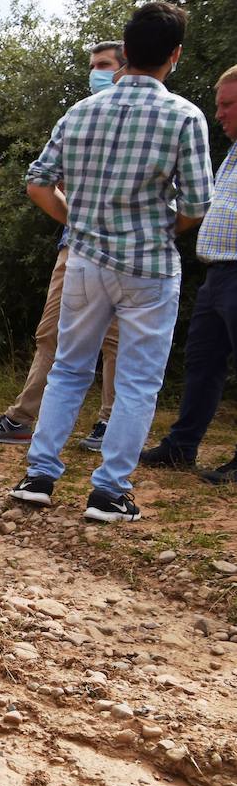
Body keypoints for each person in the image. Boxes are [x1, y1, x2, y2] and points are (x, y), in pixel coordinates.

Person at [9, 2, 212, 522]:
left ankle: (39, 476)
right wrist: (165, 228)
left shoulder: (79, 112)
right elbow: (196, 205)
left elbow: (37, 181)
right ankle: (109, 491)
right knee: (138, 381)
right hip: (147, 267)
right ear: (175, 54)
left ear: (125, 51)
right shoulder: (184, 116)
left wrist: (75, 220)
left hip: (84, 260)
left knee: (69, 369)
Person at [0, 41, 127, 451]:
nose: (96, 73)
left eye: (104, 65)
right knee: (50, 333)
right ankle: (22, 418)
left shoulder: (143, 118)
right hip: (73, 243)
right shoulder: (78, 118)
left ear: (126, 69)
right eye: (93, 65)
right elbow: (48, 182)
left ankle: (109, 423)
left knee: (115, 340)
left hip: (124, 250)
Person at [140, 64, 237, 482]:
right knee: (202, 362)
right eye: (218, 106)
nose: (219, 114)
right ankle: (181, 447)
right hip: (218, 273)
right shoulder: (233, 149)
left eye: (228, 105)